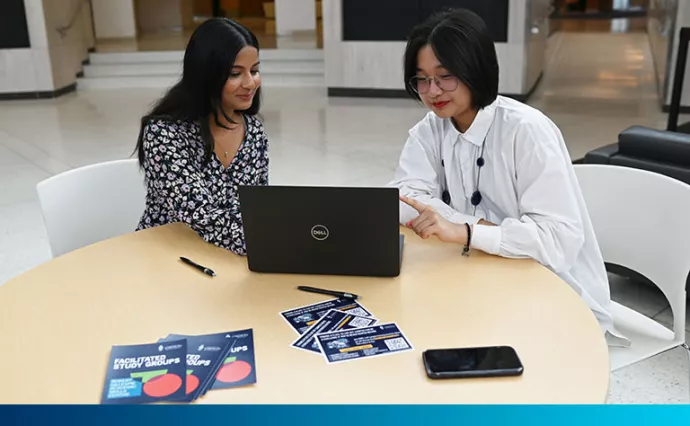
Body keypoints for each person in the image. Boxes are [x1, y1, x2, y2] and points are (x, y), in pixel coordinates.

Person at [389, 9, 626, 345]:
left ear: (475, 69)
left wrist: (466, 231)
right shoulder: (431, 129)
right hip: (481, 273)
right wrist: (468, 229)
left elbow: (557, 241)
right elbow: (402, 198)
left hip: (550, 286)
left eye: (445, 76)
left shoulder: (527, 131)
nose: (433, 91)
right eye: (422, 79)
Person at [134, 18, 268, 255]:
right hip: (167, 257)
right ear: (206, 75)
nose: (250, 83)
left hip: (228, 257)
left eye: (254, 70)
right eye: (236, 74)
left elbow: (259, 207)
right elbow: (201, 215)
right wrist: (269, 242)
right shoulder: (164, 134)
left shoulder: (254, 131)